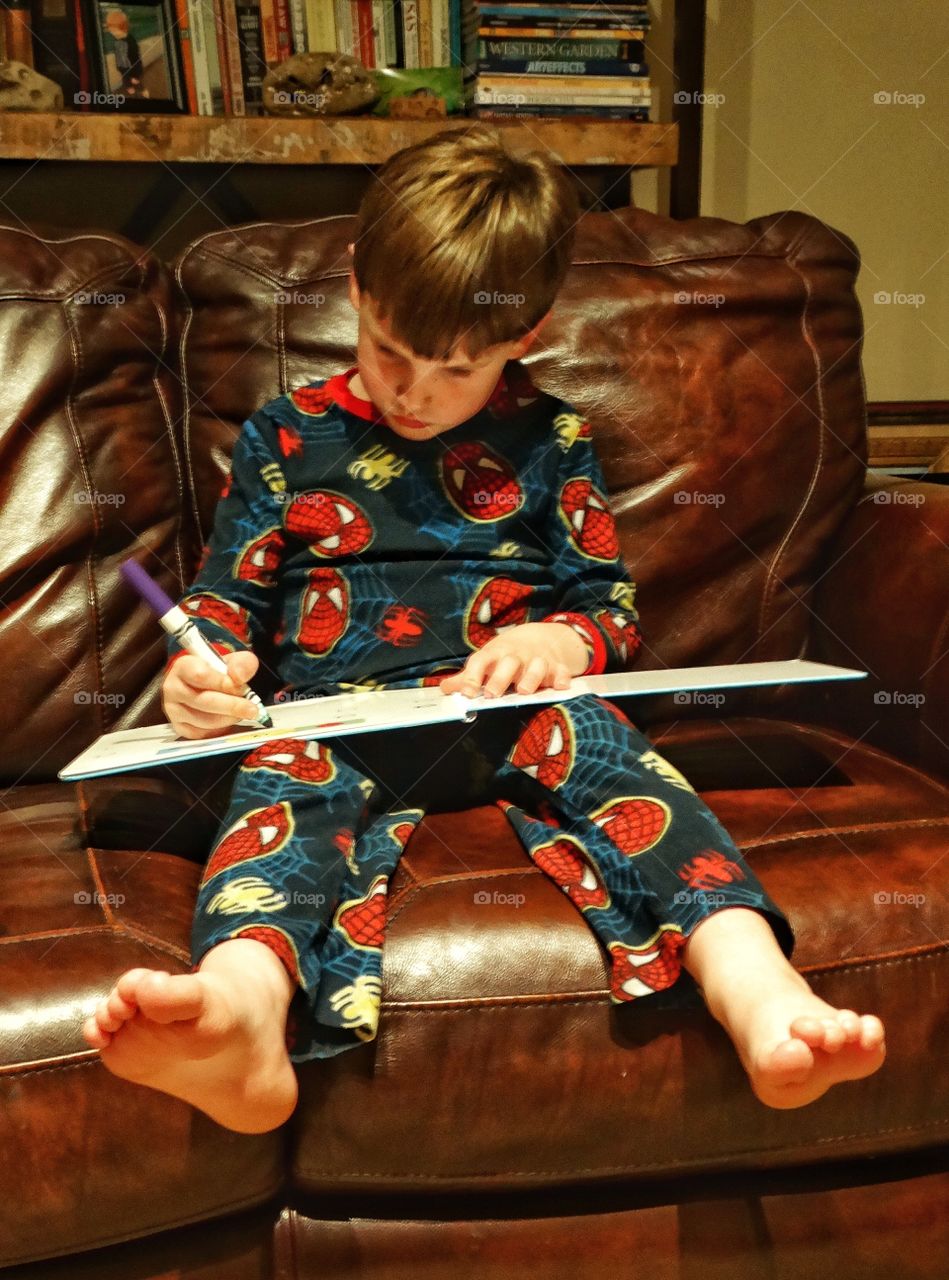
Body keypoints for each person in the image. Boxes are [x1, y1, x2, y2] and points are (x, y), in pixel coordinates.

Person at [81, 125, 885, 1133]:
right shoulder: (281, 439)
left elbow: (608, 608)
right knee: (280, 793)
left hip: (510, 707)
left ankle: (759, 991)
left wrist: (560, 645)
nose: (414, 393)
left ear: (527, 329)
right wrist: (200, 664)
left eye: (455, 369)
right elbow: (220, 603)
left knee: (616, 756)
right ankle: (242, 1014)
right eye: (389, 352)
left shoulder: (550, 440)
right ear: (359, 286)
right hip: (332, 719)